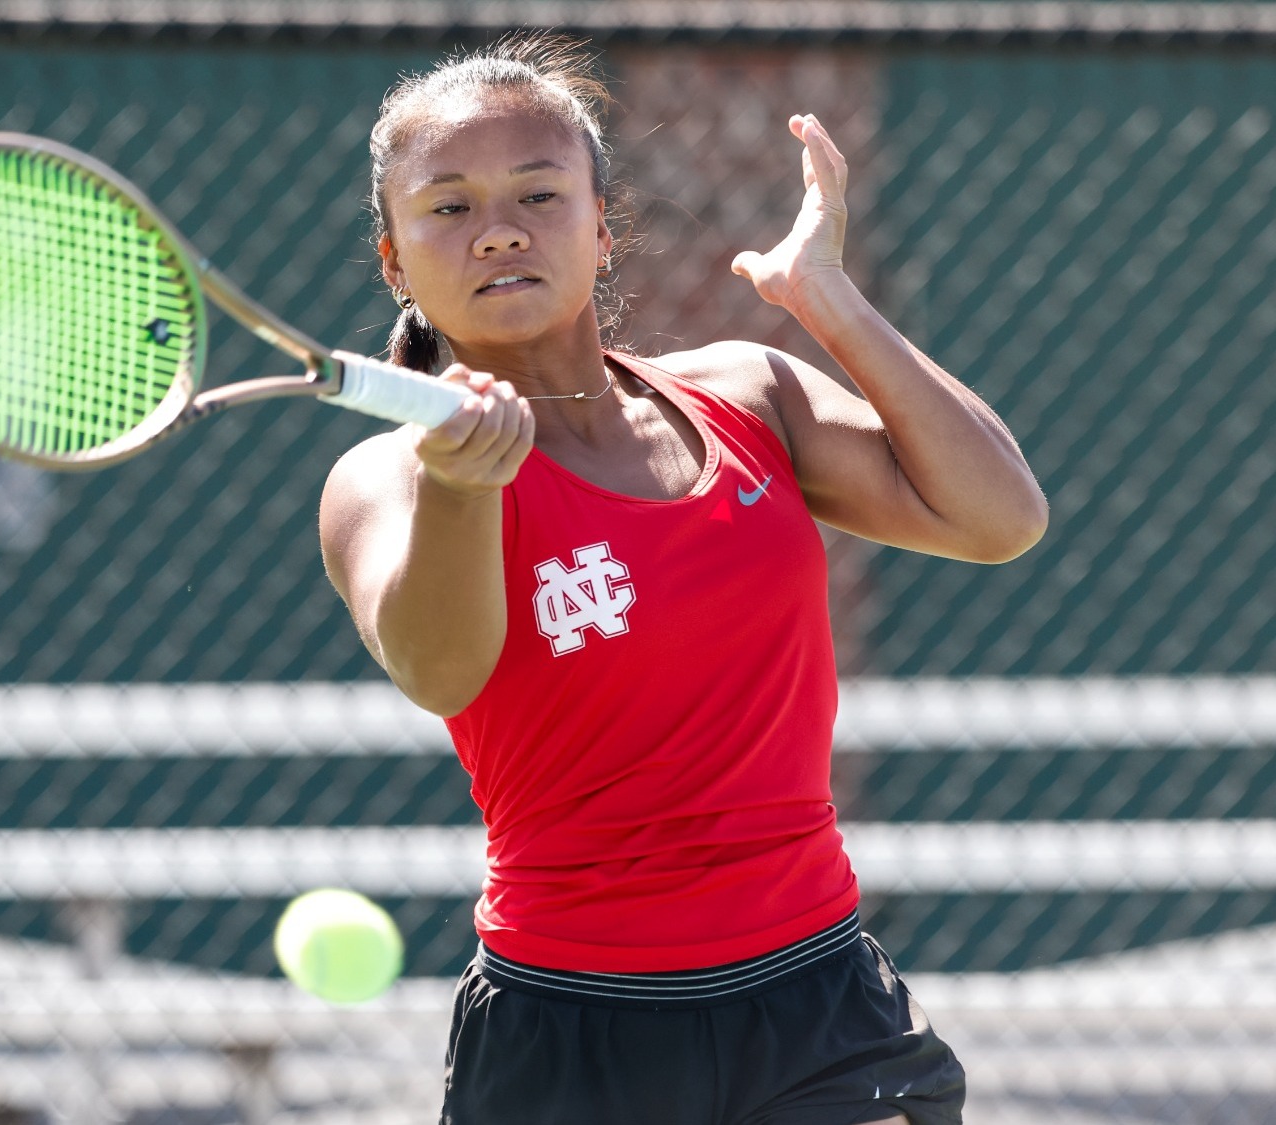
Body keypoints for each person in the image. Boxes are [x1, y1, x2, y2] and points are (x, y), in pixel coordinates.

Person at [320, 35, 1047, 1125]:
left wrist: (827, 301)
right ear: (393, 261)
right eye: (449, 207)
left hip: (817, 1006)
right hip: (568, 1030)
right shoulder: (385, 477)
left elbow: (997, 519)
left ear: (602, 229)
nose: (500, 227)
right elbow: (441, 669)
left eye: (537, 191)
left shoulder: (748, 394)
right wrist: (464, 486)